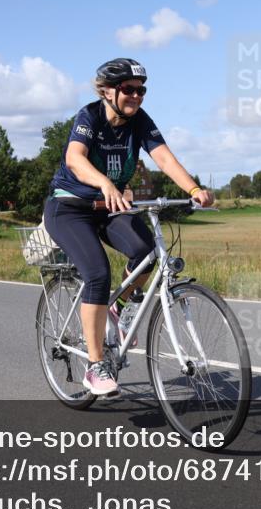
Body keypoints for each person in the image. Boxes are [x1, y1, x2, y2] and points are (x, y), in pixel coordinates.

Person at [44, 58, 214, 397]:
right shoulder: (89, 117)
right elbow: (75, 159)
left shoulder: (140, 122)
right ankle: (95, 367)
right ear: (108, 91)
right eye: (128, 90)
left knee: (147, 252)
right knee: (97, 273)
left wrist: (193, 190)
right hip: (70, 208)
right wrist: (106, 184)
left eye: (141, 90)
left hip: (110, 208)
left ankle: (118, 309)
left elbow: (163, 158)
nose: (136, 96)